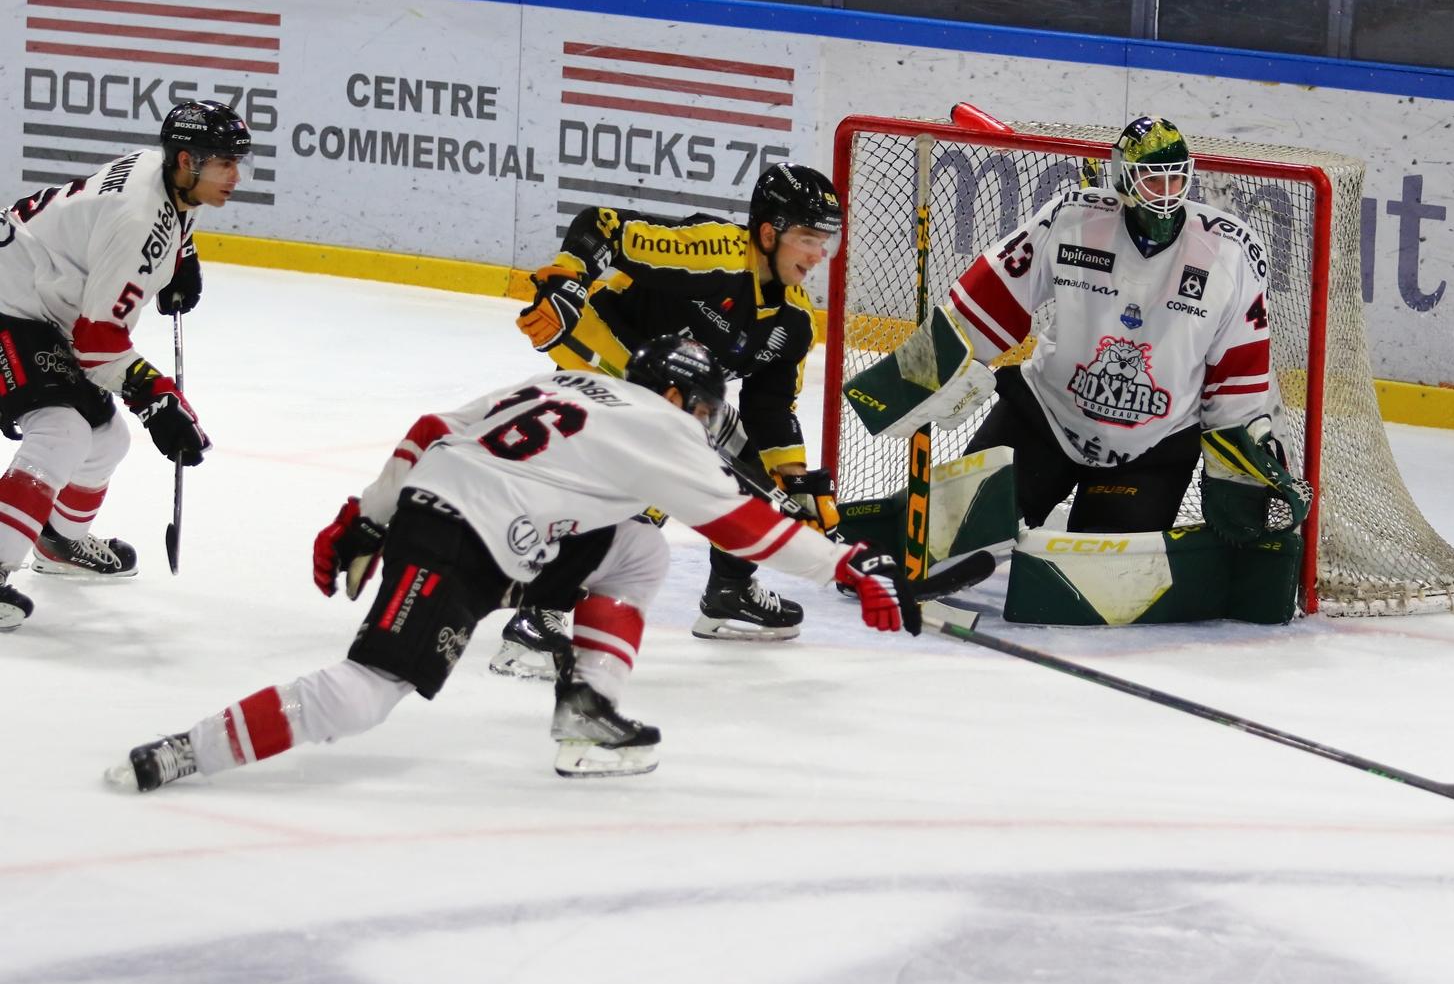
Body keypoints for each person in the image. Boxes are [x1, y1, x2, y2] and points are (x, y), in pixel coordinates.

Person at [108, 337, 919, 793]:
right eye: (706, 408)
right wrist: (845, 567)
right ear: (680, 398)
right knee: (368, 691)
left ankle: (589, 712)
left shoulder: (568, 381)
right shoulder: (664, 428)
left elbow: (431, 429)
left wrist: (368, 514)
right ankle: (186, 749)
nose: (707, 424)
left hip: (481, 521)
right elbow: (744, 526)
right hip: (461, 536)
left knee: (636, 551)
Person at [847, 115, 1310, 546]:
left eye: (1175, 178)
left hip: (1151, 447)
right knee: (955, 529)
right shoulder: (1072, 220)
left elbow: (1239, 371)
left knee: (1104, 566)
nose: (1166, 192)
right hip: (1045, 419)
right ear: (1124, 178)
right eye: (1152, 179)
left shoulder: (1229, 252)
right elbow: (993, 295)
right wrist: (924, 372)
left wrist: (1238, 467)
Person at [497, 162, 844, 671]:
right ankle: (537, 617)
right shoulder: (713, 253)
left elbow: (769, 409)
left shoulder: (793, 321)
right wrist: (566, 282)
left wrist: (793, 484)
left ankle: (729, 592)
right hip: (605, 363)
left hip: (677, 397)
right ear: (769, 233)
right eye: (808, 239)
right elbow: (602, 226)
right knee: (643, 493)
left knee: (748, 469)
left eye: (825, 242)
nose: (818, 255)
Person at [0, 99, 240, 630]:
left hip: (35, 300)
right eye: (224, 163)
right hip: (9, 302)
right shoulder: (137, 221)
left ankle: (59, 540)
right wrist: (157, 398)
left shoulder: (167, 174)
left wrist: (182, 257)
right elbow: (97, 343)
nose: (235, 176)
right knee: (61, 431)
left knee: (106, 440)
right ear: (188, 160)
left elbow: (167, 225)